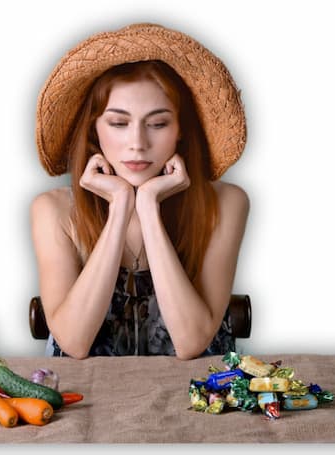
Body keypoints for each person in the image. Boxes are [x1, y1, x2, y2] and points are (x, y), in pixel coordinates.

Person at [31, 23, 249, 360]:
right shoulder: (52, 210)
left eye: (158, 123)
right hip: (88, 401)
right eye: (119, 123)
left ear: (180, 131)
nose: (137, 144)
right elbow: (73, 343)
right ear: (95, 131)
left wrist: (148, 206)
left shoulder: (227, 202)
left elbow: (191, 342)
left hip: (198, 397)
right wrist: (119, 206)